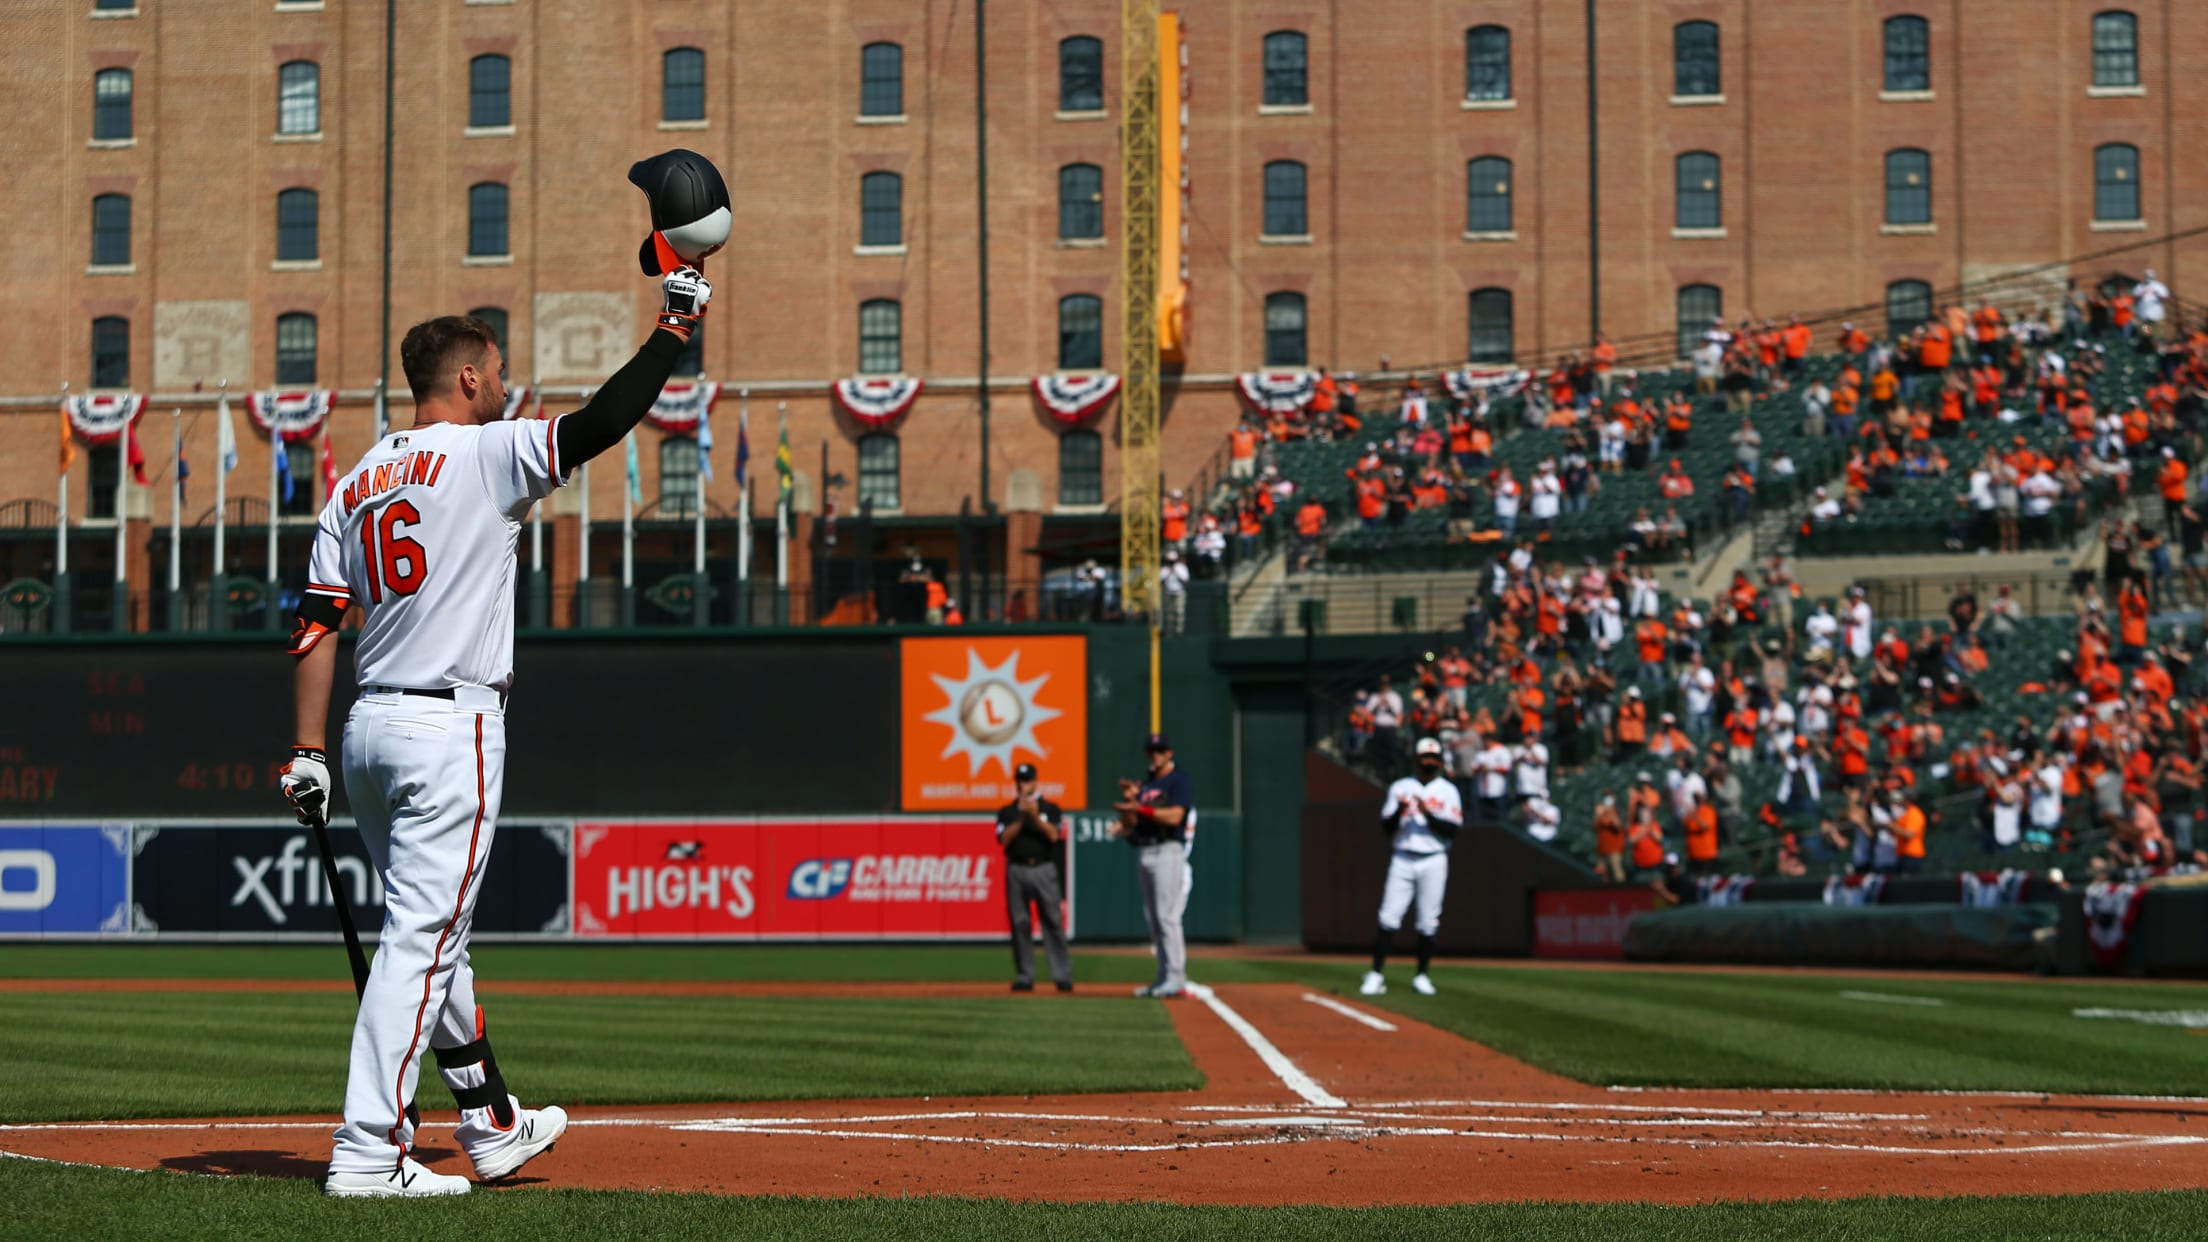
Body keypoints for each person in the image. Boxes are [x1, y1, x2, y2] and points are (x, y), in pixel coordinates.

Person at [280, 262, 714, 1196]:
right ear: (468, 379)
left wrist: (306, 750)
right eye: (498, 369)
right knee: (422, 943)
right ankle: (368, 1151)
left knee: (439, 941)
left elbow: (316, 621)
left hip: (363, 734)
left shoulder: (355, 479)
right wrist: (673, 332)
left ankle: (491, 1124)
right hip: (449, 728)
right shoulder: (486, 454)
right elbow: (600, 425)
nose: (507, 383)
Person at [1361, 738, 1461, 997]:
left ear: (1439, 761)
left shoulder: (1447, 790)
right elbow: (1386, 828)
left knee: (1428, 921)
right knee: (1388, 916)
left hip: (1434, 857)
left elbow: (1453, 830)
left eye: (1432, 758)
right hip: (1403, 857)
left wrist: (1428, 814)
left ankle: (1422, 976)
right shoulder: (1400, 787)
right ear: (1416, 760)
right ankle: (1375, 974)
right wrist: (1400, 811)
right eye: (1424, 758)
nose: (1428, 763)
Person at [1110, 733, 1194, 998]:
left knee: (1168, 916)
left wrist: (1140, 807)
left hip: (1168, 849)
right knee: (1154, 919)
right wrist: (1127, 810)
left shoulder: (1178, 780)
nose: (1155, 754)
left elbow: (1175, 816)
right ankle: (1163, 976)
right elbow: (1130, 826)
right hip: (1145, 849)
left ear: (1170, 752)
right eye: (1151, 750)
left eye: (1160, 750)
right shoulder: (1145, 787)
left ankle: (1177, 978)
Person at [997, 762, 1072, 994]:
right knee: (1020, 923)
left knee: (1052, 922)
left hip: (1043, 868)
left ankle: (1062, 976)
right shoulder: (1008, 811)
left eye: (1027, 780)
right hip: (1017, 869)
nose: (1023, 784)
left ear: (1035, 781)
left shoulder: (1050, 807)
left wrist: (1036, 817)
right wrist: (1021, 818)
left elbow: (1053, 835)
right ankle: (1025, 975)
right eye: (1020, 780)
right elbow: (1003, 839)